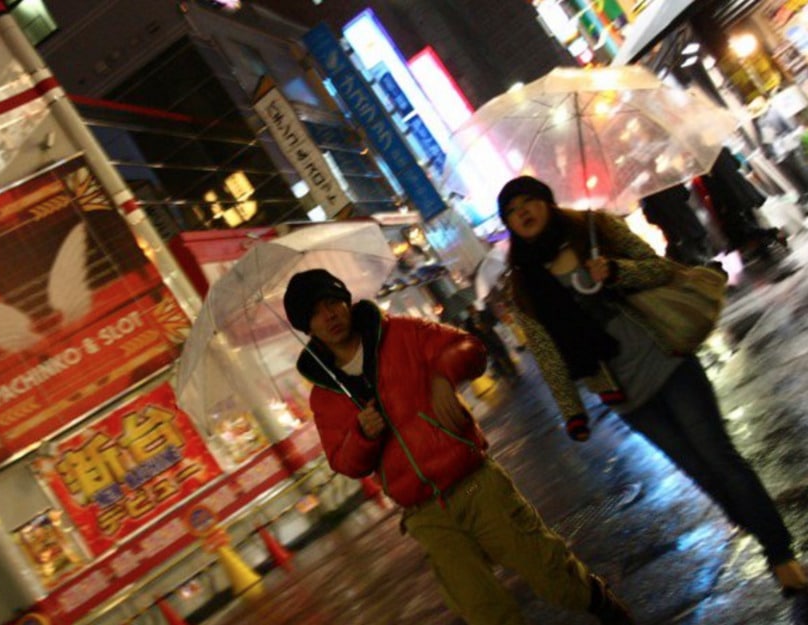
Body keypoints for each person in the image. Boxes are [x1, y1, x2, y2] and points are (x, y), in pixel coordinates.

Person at [496, 175, 808, 598]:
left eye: (529, 202)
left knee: (719, 455)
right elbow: (548, 354)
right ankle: (762, 531)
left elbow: (663, 270)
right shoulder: (522, 283)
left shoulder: (595, 229)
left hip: (665, 359)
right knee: (700, 472)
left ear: (547, 202)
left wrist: (616, 272)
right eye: (513, 211)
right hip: (622, 392)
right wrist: (572, 411)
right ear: (509, 224)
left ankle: (779, 553)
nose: (523, 214)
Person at [282, 268, 634, 625]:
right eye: (315, 312)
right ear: (306, 327)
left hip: (475, 483)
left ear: (346, 301)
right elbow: (343, 462)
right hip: (424, 513)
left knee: (549, 572)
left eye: (332, 303)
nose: (329, 316)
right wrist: (362, 434)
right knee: (483, 610)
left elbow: (469, 347)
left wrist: (442, 376)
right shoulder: (326, 396)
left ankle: (605, 606)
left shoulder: (401, 332)